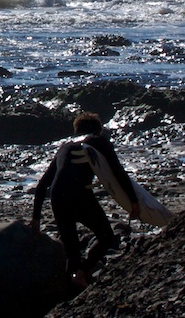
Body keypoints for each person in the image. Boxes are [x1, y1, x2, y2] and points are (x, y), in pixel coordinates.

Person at [30, 112, 140, 289]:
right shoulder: (99, 142)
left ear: (76, 130)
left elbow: (43, 183)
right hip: (79, 194)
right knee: (106, 236)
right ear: (99, 130)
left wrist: (36, 218)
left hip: (58, 196)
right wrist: (133, 201)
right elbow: (118, 172)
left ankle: (69, 293)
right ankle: (82, 272)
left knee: (72, 251)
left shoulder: (65, 147)